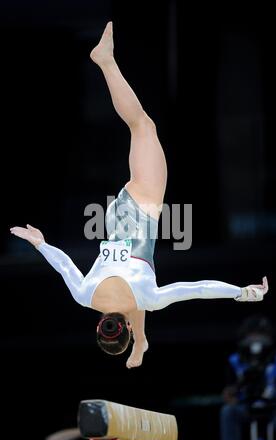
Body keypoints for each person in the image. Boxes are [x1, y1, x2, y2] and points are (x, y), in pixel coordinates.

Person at [10, 22, 269, 369]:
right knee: (141, 291)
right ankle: (141, 346)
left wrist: (242, 293)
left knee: (143, 125)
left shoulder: (148, 299)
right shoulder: (85, 296)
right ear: (104, 325)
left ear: (125, 326)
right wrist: (40, 243)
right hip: (116, 218)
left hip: (141, 210)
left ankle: (105, 61)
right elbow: (64, 265)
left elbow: (198, 288)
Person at [220, 315, 276, 440]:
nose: (256, 339)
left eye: (260, 335)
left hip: (273, 406)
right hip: (245, 406)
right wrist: (231, 394)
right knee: (228, 412)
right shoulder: (234, 361)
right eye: (252, 335)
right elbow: (229, 391)